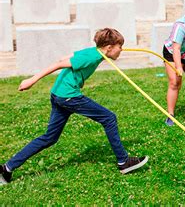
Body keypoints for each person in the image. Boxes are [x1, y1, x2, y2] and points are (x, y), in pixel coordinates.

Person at [0, 28, 148, 185]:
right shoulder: (92, 56)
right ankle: (123, 162)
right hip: (68, 96)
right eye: (120, 46)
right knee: (109, 118)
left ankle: (7, 168)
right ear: (109, 47)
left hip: (58, 94)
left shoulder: (94, 51)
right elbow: (59, 64)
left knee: (49, 138)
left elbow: (67, 57)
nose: (121, 50)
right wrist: (32, 80)